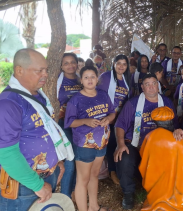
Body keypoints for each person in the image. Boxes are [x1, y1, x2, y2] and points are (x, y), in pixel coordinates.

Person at [0, 49, 74, 210]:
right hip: (24, 187)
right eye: (39, 70)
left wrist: (57, 160)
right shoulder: (7, 104)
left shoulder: (36, 96)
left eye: (46, 70)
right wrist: (38, 185)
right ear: (19, 70)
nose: (45, 74)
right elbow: (7, 154)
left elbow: (47, 131)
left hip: (44, 178)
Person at [113, 73, 177, 209]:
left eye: (154, 83)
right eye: (147, 84)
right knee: (124, 157)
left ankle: (163, 190)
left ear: (158, 86)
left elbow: (174, 126)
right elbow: (120, 125)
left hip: (159, 146)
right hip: (136, 144)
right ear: (142, 87)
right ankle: (128, 193)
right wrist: (120, 144)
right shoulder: (133, 103)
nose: (151, 87)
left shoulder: (167, 102)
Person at [64, 59, 116, 211]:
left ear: (97, 78)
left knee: (94, 175)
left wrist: (108, 118)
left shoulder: (103, 95)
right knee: (83, 179)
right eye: (86, 77)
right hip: (84, 144)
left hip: (102, 142)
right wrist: (86, 121)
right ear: (81, 80)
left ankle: (94, 207)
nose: (89, 80)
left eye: (92, 76)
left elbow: (112, 113)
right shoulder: (76, 100)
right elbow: (69, 122)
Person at [139, 106, 183, 210]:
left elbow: (143, 157)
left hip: (156, 186)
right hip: (180, 190)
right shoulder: (178, 140)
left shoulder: (149, 137)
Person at [97, 54, 131, 185]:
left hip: (121, 118)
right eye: (119, 63)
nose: (121, 66)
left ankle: (115, 169)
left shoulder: (127, 79)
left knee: (118, 142)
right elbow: (98, 95)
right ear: (114, 64)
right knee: (111, 142)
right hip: (107, 116)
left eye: (124, 64)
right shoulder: (105, 77)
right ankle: (111, 171)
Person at [57, 53, 82, 199]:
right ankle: (65, 196)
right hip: (63, 124)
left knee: (78, 157)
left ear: (77, 64)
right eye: (66, 63)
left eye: (72, 62)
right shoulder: (58, 82)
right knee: (69, 159)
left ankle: (73, 191)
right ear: (61, 66)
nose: (70, 65)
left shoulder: (81, 80)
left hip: (80, 124)